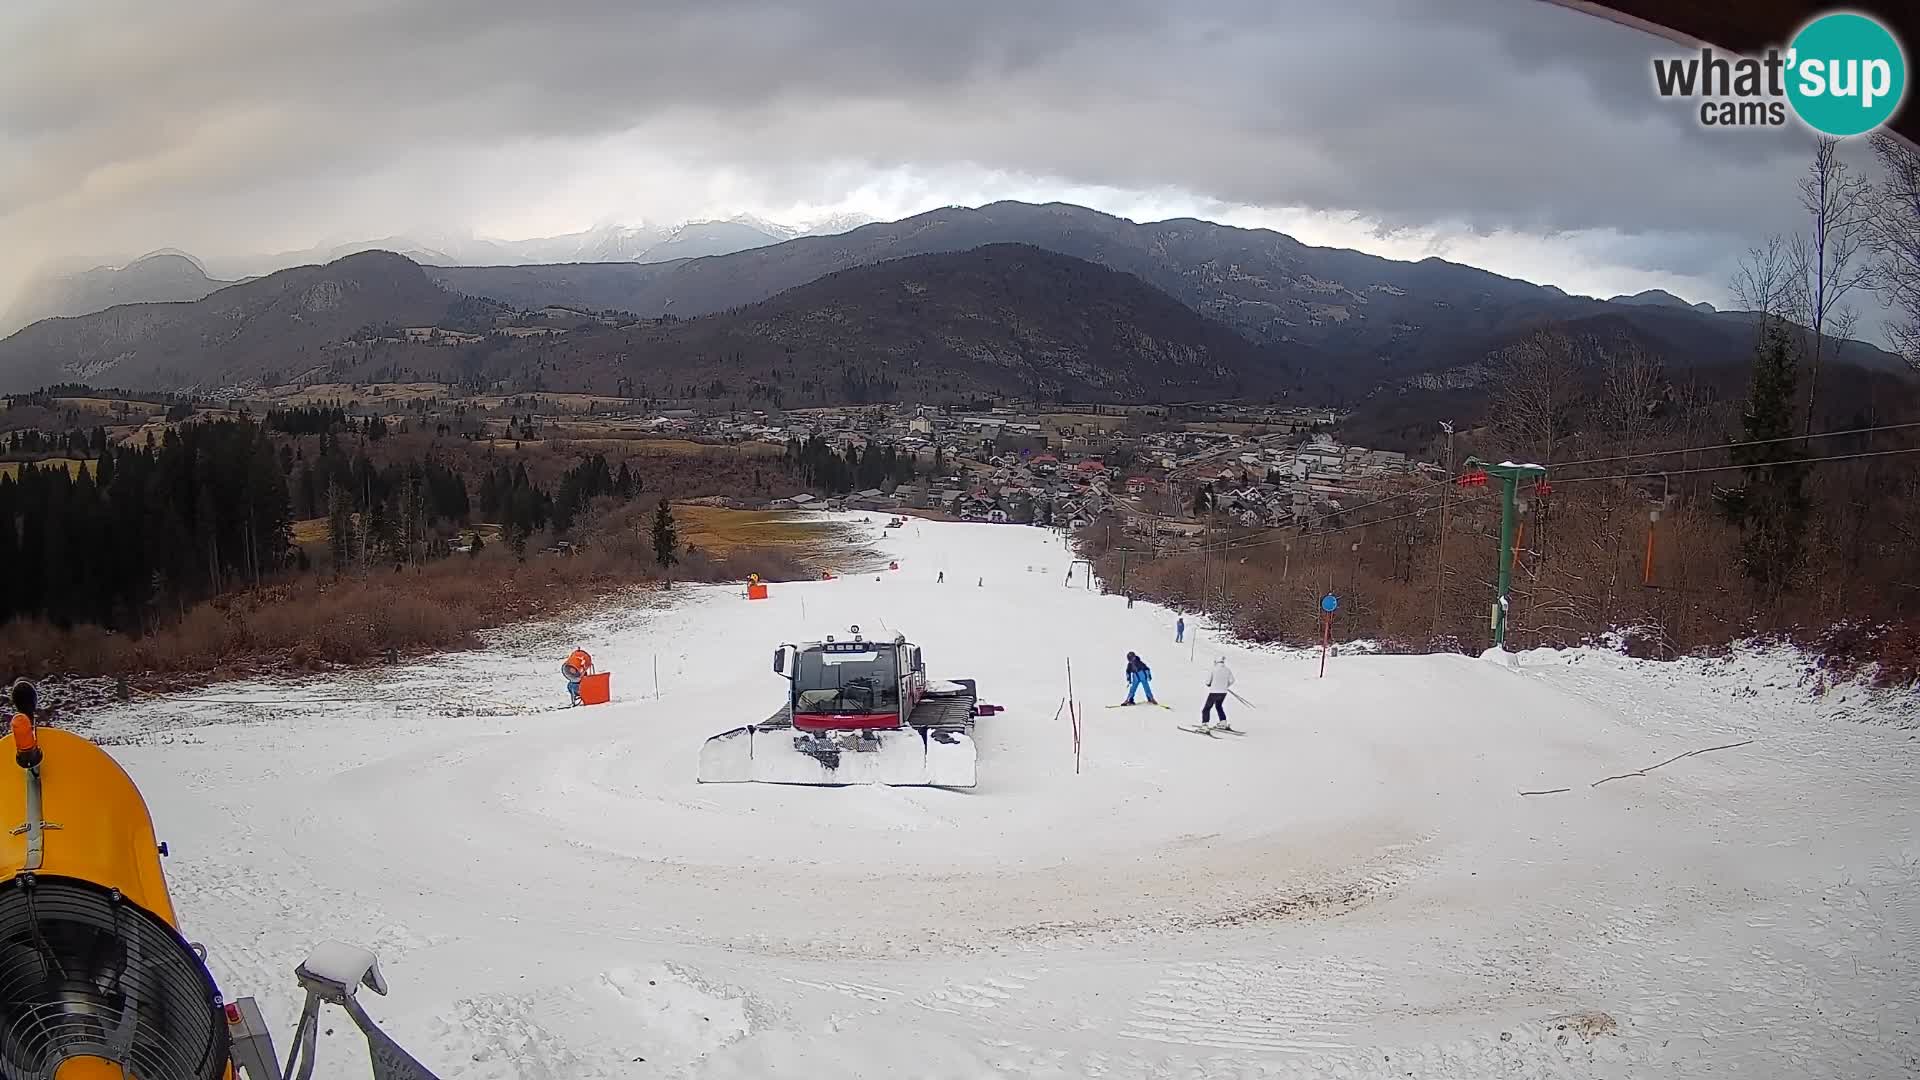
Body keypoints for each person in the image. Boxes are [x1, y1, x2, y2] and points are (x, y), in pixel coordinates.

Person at [1200, 656, 1234, 728]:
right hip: (1223, 692)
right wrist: (1226, 685)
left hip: (1214, 692)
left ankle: (1205, 724)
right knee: (1219, 706)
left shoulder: (1213, 669)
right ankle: (1223, 722)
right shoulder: (1227, 670)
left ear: (1216, 662)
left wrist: (1209, 684)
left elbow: (1208, 682)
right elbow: (1232, 680)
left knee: (1207, 708)